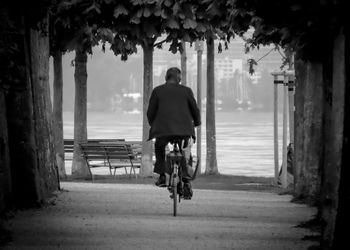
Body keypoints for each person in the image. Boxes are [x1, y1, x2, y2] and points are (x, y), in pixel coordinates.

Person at [147, 67, 201, 199]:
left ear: (166, 77)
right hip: (184, 130)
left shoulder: (157, 91)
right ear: (179, 78)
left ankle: (161, 176)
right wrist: (197, 123)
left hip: (163, 130)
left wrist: (154, 124)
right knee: (185, 151)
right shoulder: (187, 91)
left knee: (159, 146)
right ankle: (187, 181)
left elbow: (150, 113)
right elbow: (195, 111)